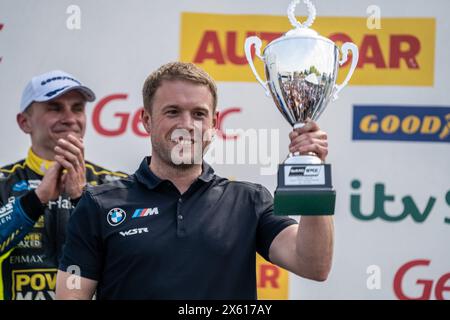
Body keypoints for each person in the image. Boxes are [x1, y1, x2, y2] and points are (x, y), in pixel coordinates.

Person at [55, 62, 333, 300]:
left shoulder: (249, 201)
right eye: (172, 111)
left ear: (214, 123)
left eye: (198, 114)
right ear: (147, 120)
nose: (186, 124)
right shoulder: (98, 204)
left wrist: (313, 170)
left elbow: (313, 264)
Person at [0, 70, 127, 300]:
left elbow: (130, 258)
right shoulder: (3, 182)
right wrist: (35, 200)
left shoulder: (114, 185)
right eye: (55, 108)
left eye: (77, 108)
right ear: (24, 122)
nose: (70, 118)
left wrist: (82, 198)